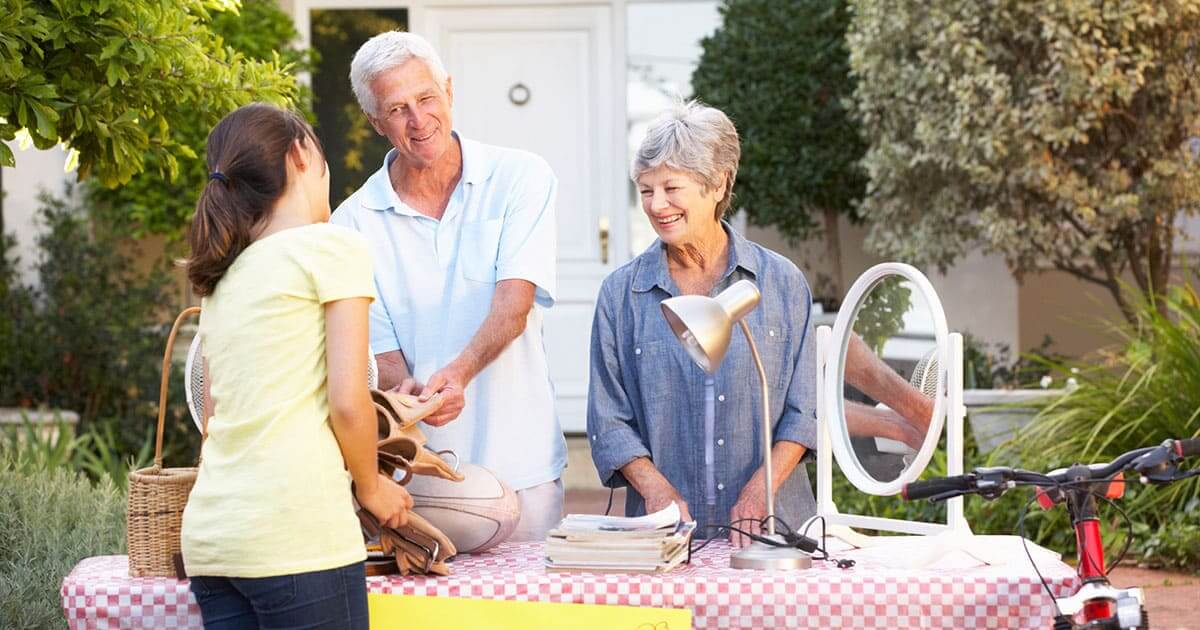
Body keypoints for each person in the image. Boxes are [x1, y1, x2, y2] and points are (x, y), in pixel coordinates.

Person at [180, 104, 412, 629]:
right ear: (301, 154)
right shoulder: (330, 248)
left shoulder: (224, 277)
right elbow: (348, 402)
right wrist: (373, 488)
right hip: (295, 535)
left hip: (215, 541)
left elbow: (213, 422)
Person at [331, 31, 567, 541]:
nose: (419, 121)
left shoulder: (520, 178)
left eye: (426, 98)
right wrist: (403, 392)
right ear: (376, 123)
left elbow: (515, 304)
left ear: (450, 91)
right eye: (397, 109)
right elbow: (380, 352)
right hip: (423, 483)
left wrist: (458, 374)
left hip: (524, 466)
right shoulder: (350, 223)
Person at [587, 101, 820, 548]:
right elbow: (609, 421)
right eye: (646, 189)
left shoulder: (782, 284)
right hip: (666, 542)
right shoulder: (620, 296)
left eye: (672, 187)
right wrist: (656, 489)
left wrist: (760, 489)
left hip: (772, 535)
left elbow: (805, 412)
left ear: (719, 184)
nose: (657, 206)